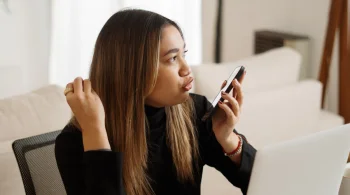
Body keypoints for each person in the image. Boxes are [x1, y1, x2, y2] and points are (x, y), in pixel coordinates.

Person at [55, 9, 256, 195]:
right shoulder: (75, 141)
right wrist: (95, 131)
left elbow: (263, 184)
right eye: (172, 59)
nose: (187, 69)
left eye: (183, 55)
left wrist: (227, 139)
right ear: (131, 71)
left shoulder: (196, 113)